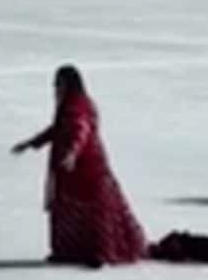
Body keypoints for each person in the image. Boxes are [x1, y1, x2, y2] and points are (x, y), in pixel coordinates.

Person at [11, 64, 146, 267]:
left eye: (58, 84)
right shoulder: (72, 105)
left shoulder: (77, 106)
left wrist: (72, 154)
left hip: (87, 170)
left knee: (93, 213)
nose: (55, 89)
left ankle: (99, 253)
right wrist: (32, 143)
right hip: (74, 171)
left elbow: (79, 130)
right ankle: (74, 251)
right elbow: (57, 130)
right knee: (73, 213)